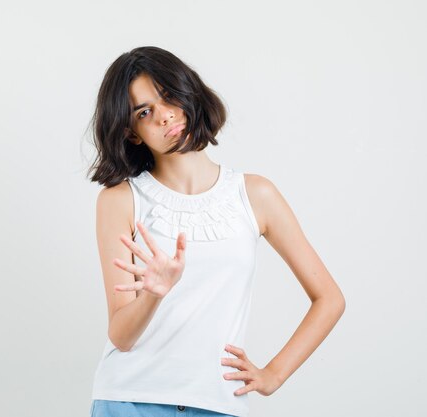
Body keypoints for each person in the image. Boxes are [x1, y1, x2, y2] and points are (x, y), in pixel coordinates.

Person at [86, 46, 345, 417]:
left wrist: (274, 374)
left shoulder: (255, 194)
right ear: (133, 133)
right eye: (145, 112)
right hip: (130, 398)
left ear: (188, 93)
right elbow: (121, 336)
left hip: (218, 405)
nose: (164, 116)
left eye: (168, 96)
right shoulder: (120, 200)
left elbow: (329, 298)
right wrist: (154, 294)